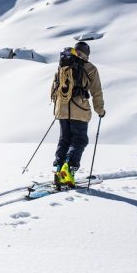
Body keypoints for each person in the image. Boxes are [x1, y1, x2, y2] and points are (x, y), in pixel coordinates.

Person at [50, 41, 104, 187]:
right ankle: (69, 169)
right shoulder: (90, 68)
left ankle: (58, 170)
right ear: (86, 54)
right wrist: (100, 110)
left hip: (61, 108)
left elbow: (55, 86)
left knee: (64, 140)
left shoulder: (63, 65)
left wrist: (57, 108)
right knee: (79, 140)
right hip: (79, 109)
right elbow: (96, 92)